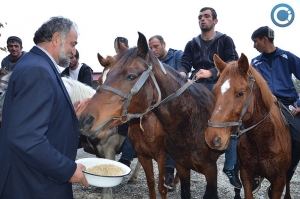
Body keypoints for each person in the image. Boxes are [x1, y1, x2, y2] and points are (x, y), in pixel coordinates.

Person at [0, 16, 88, 199]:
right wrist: (69, 170)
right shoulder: (38, 70)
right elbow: (27, 138)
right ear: (56, 39)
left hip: (34, 179)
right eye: (72, 44)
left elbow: (29, 117)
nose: (74, 51)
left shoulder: (36, 64)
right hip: (34, 185)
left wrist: (67, 112)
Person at [178, 7, 242, 189]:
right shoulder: (192, 43)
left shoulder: (225, 40)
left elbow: (233, 62)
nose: (202, 19)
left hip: (219, 85)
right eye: (200, 17)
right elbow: (185, 62)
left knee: (233, 121)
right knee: (173, 113)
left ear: (215, 21)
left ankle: (230, 167)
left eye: (206, 16)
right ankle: (171, 165)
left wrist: (212, 72)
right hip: (195, 84)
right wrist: (182, 72)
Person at [250, 26, 300, 197]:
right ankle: (254, 173)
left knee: (298, 139)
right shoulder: (255, 62)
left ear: (265, 39)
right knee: (243, 135)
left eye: (255, 42)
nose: (254, 46)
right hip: (262, 104)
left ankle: (284, 178)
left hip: (286, 104)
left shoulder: (288, 57)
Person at [149, 35, 183, 190]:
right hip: (158, 103)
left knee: (171, 131)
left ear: (164, 44)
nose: (153, 50)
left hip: (177, 103)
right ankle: (127, 157)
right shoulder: (151, 62)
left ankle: (169, 171)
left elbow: (182, 77)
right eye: (151, 48)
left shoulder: (177, 55)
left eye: (156, 46)